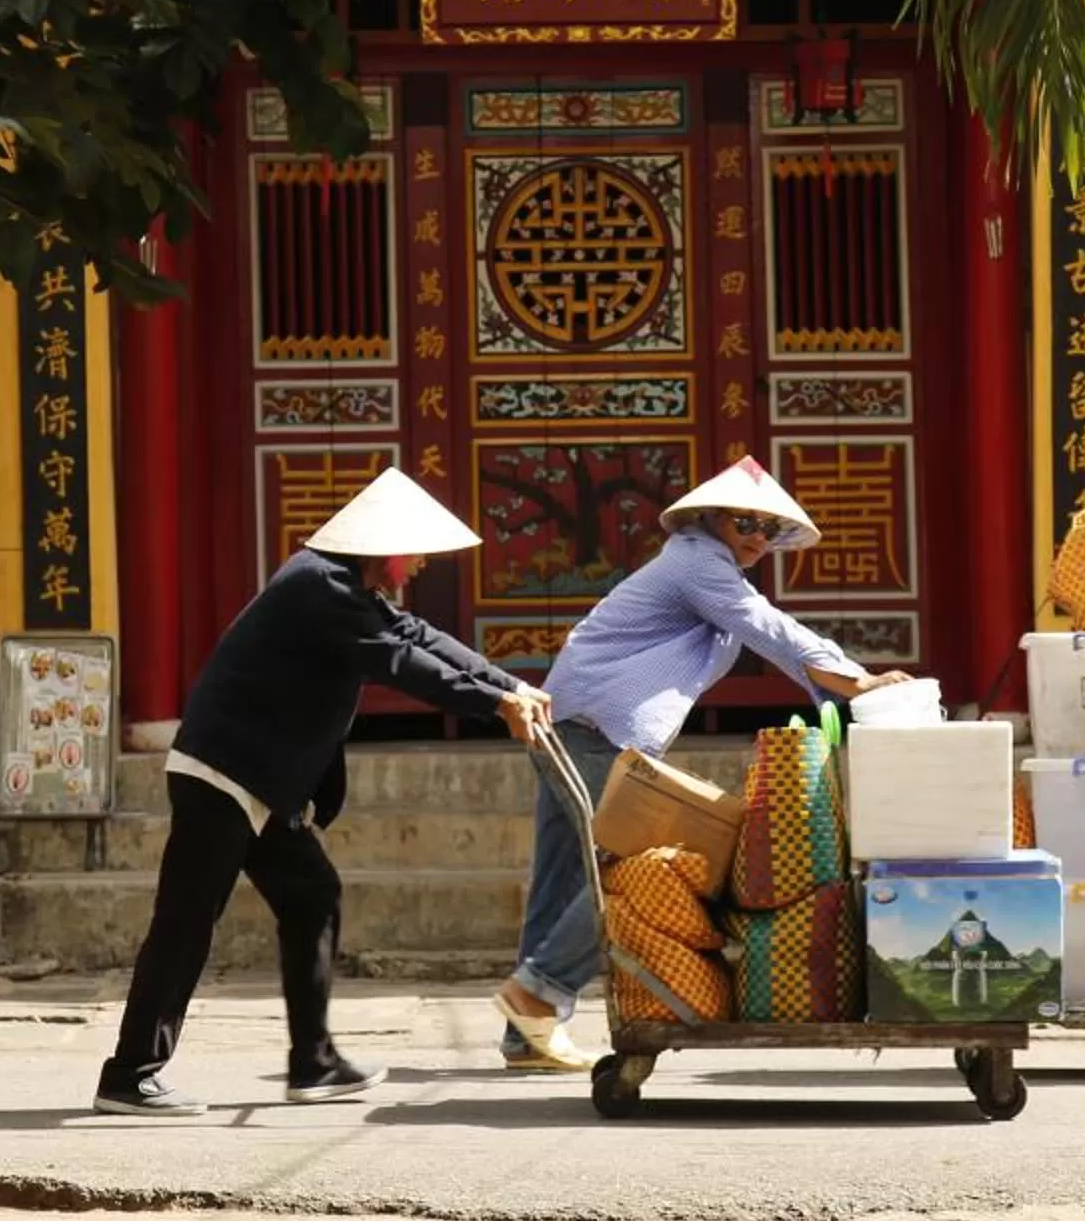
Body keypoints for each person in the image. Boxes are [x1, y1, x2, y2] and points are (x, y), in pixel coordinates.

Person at [94, 470, 552, 1117]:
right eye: (414, 550)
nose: (420, 563)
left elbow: (419, 638)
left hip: (265, 781)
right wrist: (494, 703)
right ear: (384, 546)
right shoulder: (318, 585)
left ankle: (315, 1062)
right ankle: (129, 1074)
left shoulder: (348, 588)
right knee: (186, 922)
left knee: (312, 896)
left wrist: (509, 685)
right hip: (225, 773)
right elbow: (400, 661)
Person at [496, 457, 910, 1071]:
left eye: (767, 530)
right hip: (593, 730)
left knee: (566, 874)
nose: (755, 538)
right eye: (745, 521)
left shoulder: (708, 570)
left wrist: (843, 687)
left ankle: (525, 1032)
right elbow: (770, 628)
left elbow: (761, 625)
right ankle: (539, 990)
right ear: (710, 518)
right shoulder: (697, 561)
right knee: (622, 870)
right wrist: (859, 682)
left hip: (574, 722)